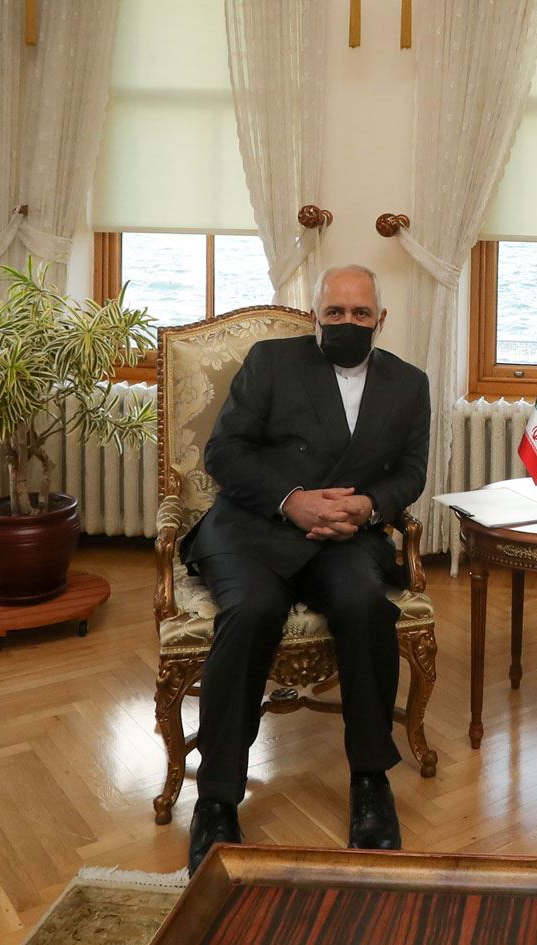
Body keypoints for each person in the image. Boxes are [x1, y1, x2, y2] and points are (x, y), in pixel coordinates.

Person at [179, 264, 430, 874]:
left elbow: (410, 472)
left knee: (365, 605)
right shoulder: (271, 362)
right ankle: (216, 800)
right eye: (335, 312)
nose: (347, 322)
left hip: (344, 537)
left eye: (360, 313)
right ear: (315, 315)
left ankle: (370, 781)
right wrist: (291, 500)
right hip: (255, 528)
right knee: (251, 611)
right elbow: (223, 452)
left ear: (380, 319)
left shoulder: (409, 383)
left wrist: (369, 507)